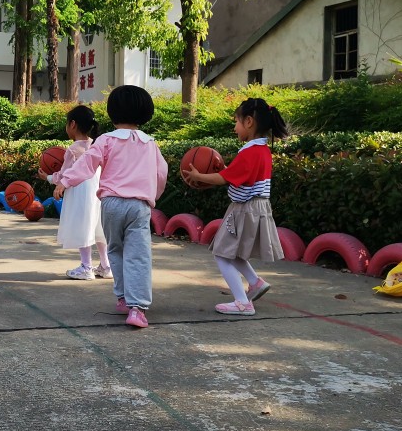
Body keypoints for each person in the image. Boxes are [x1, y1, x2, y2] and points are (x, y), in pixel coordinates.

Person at [53, 86, 168, 329]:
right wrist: (153, 196)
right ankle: (137, 309)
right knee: (138, 255)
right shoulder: (150, 143)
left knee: (116, 250)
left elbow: (86, 164)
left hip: (111, 204)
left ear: (112, 112)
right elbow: (161, 173)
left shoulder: (106, 140)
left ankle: (123, 298)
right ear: (145, 112)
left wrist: (65, 181)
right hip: (139, 205)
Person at [183, 97, 289, 316]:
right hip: (257, 207)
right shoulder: (263, 150)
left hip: (245, 209)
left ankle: (242, 302)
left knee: (222, 253)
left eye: (236, 122)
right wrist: (224, 169)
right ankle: (255, 282)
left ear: (249, 122)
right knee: (233, 251)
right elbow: (237, 175)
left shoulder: (249, 153)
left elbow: (223, 178)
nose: (235, 127)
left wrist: (199, 176)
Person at [37, 105, 110, 280]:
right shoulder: (96, 145)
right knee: (98, 229)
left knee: (82, 227)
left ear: (73, 124)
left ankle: (86, 267)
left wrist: (48, 177)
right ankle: (106, 266)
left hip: (80, 193)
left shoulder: (73, 149)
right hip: (97, 193)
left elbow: (64, 174)